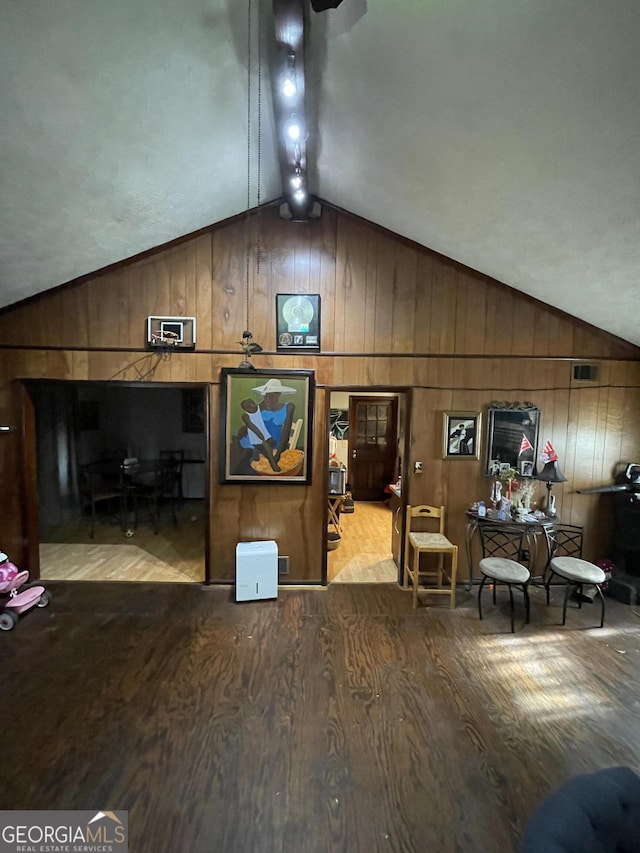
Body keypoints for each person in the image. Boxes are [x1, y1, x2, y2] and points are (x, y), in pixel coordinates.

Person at [238, 398, 279, 473]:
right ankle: (274, 466)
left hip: (265, 435)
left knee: (265, 446)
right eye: (248, 406)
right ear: (246, 409)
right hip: (256, 437)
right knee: (267, 450)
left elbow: (265, 401)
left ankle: (256, 457)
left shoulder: (259, 408)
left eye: (252, 403)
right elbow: (252, 427)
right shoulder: (246, 416)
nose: (252, 406)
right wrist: (261, 437)